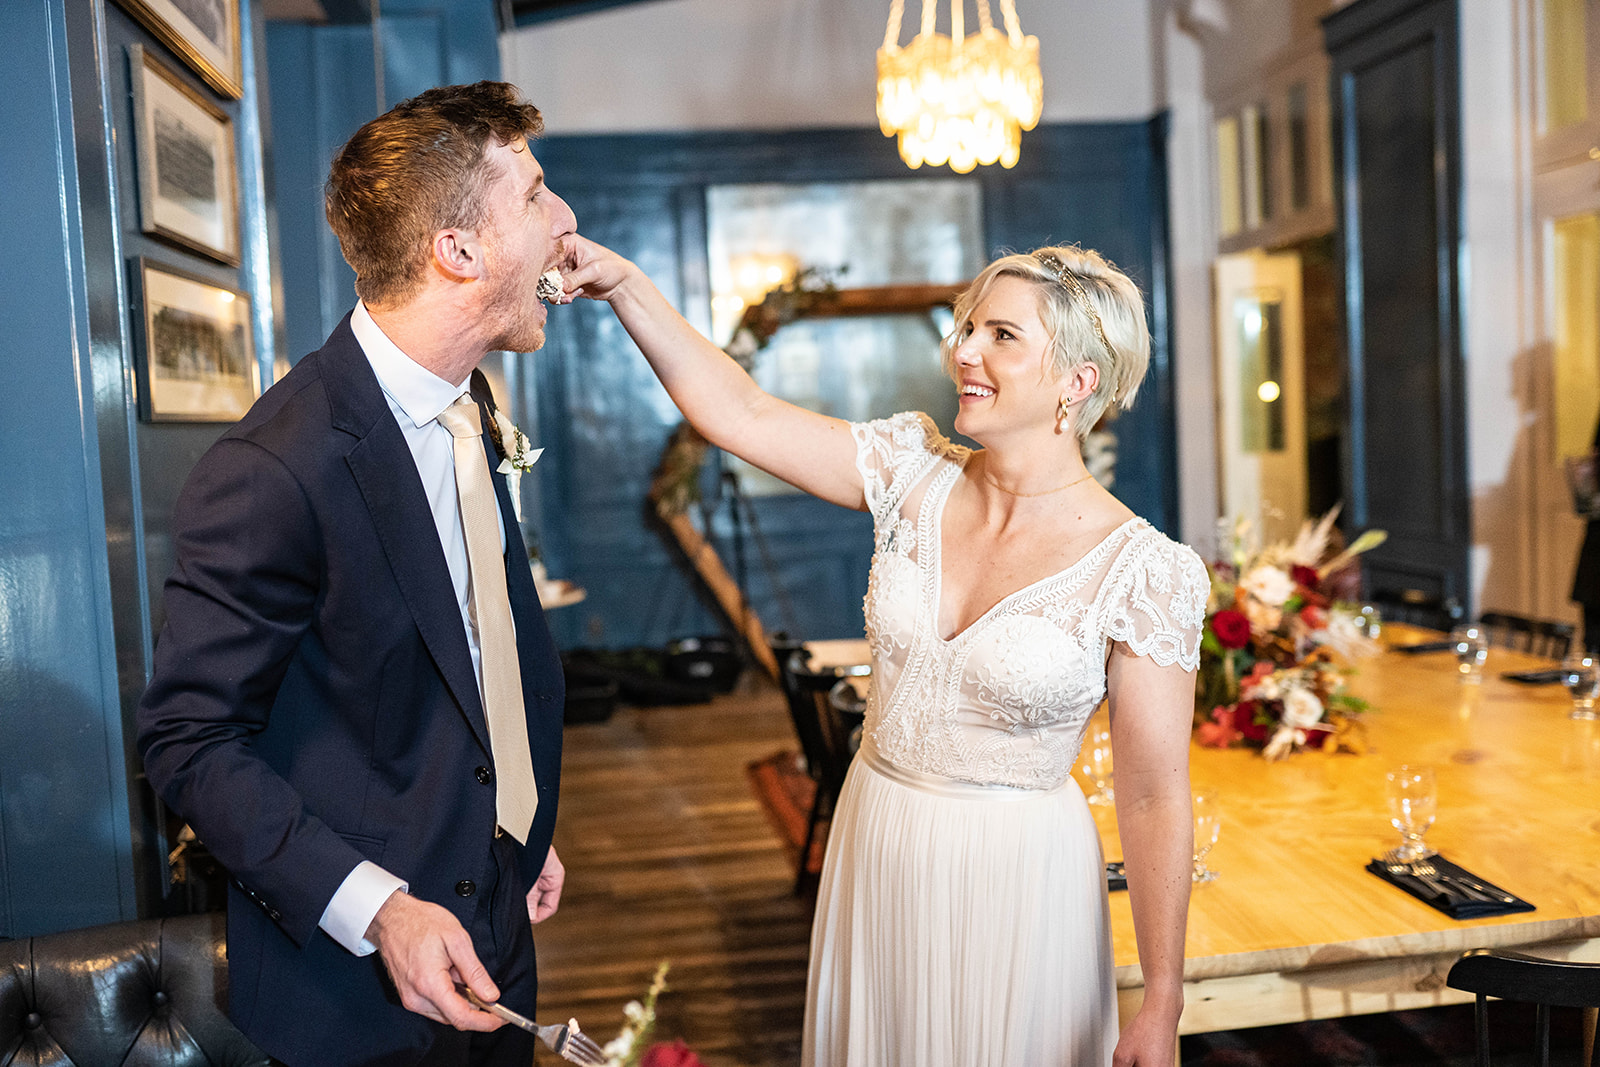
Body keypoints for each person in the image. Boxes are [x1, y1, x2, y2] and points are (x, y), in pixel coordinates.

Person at [560, 239, 1205, 1065]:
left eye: (1002, 335)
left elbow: (1154, 794)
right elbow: (741, 414)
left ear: (1078, 383)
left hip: (1017, 880)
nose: (963, 350)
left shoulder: (1144, 570)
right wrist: (626, 286)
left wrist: (1162, 997)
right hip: (877, 833)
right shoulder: (911, 472)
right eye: (969, 328)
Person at [137, 82, 575, 1067]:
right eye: (537, 196)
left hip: (495, 921)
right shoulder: (272, 469)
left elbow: (466, 651)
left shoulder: (472, 407)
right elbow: (188, 741)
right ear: (456, 250)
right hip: (349, 996)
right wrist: (380, 913)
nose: (564, 221)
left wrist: (513, 816)